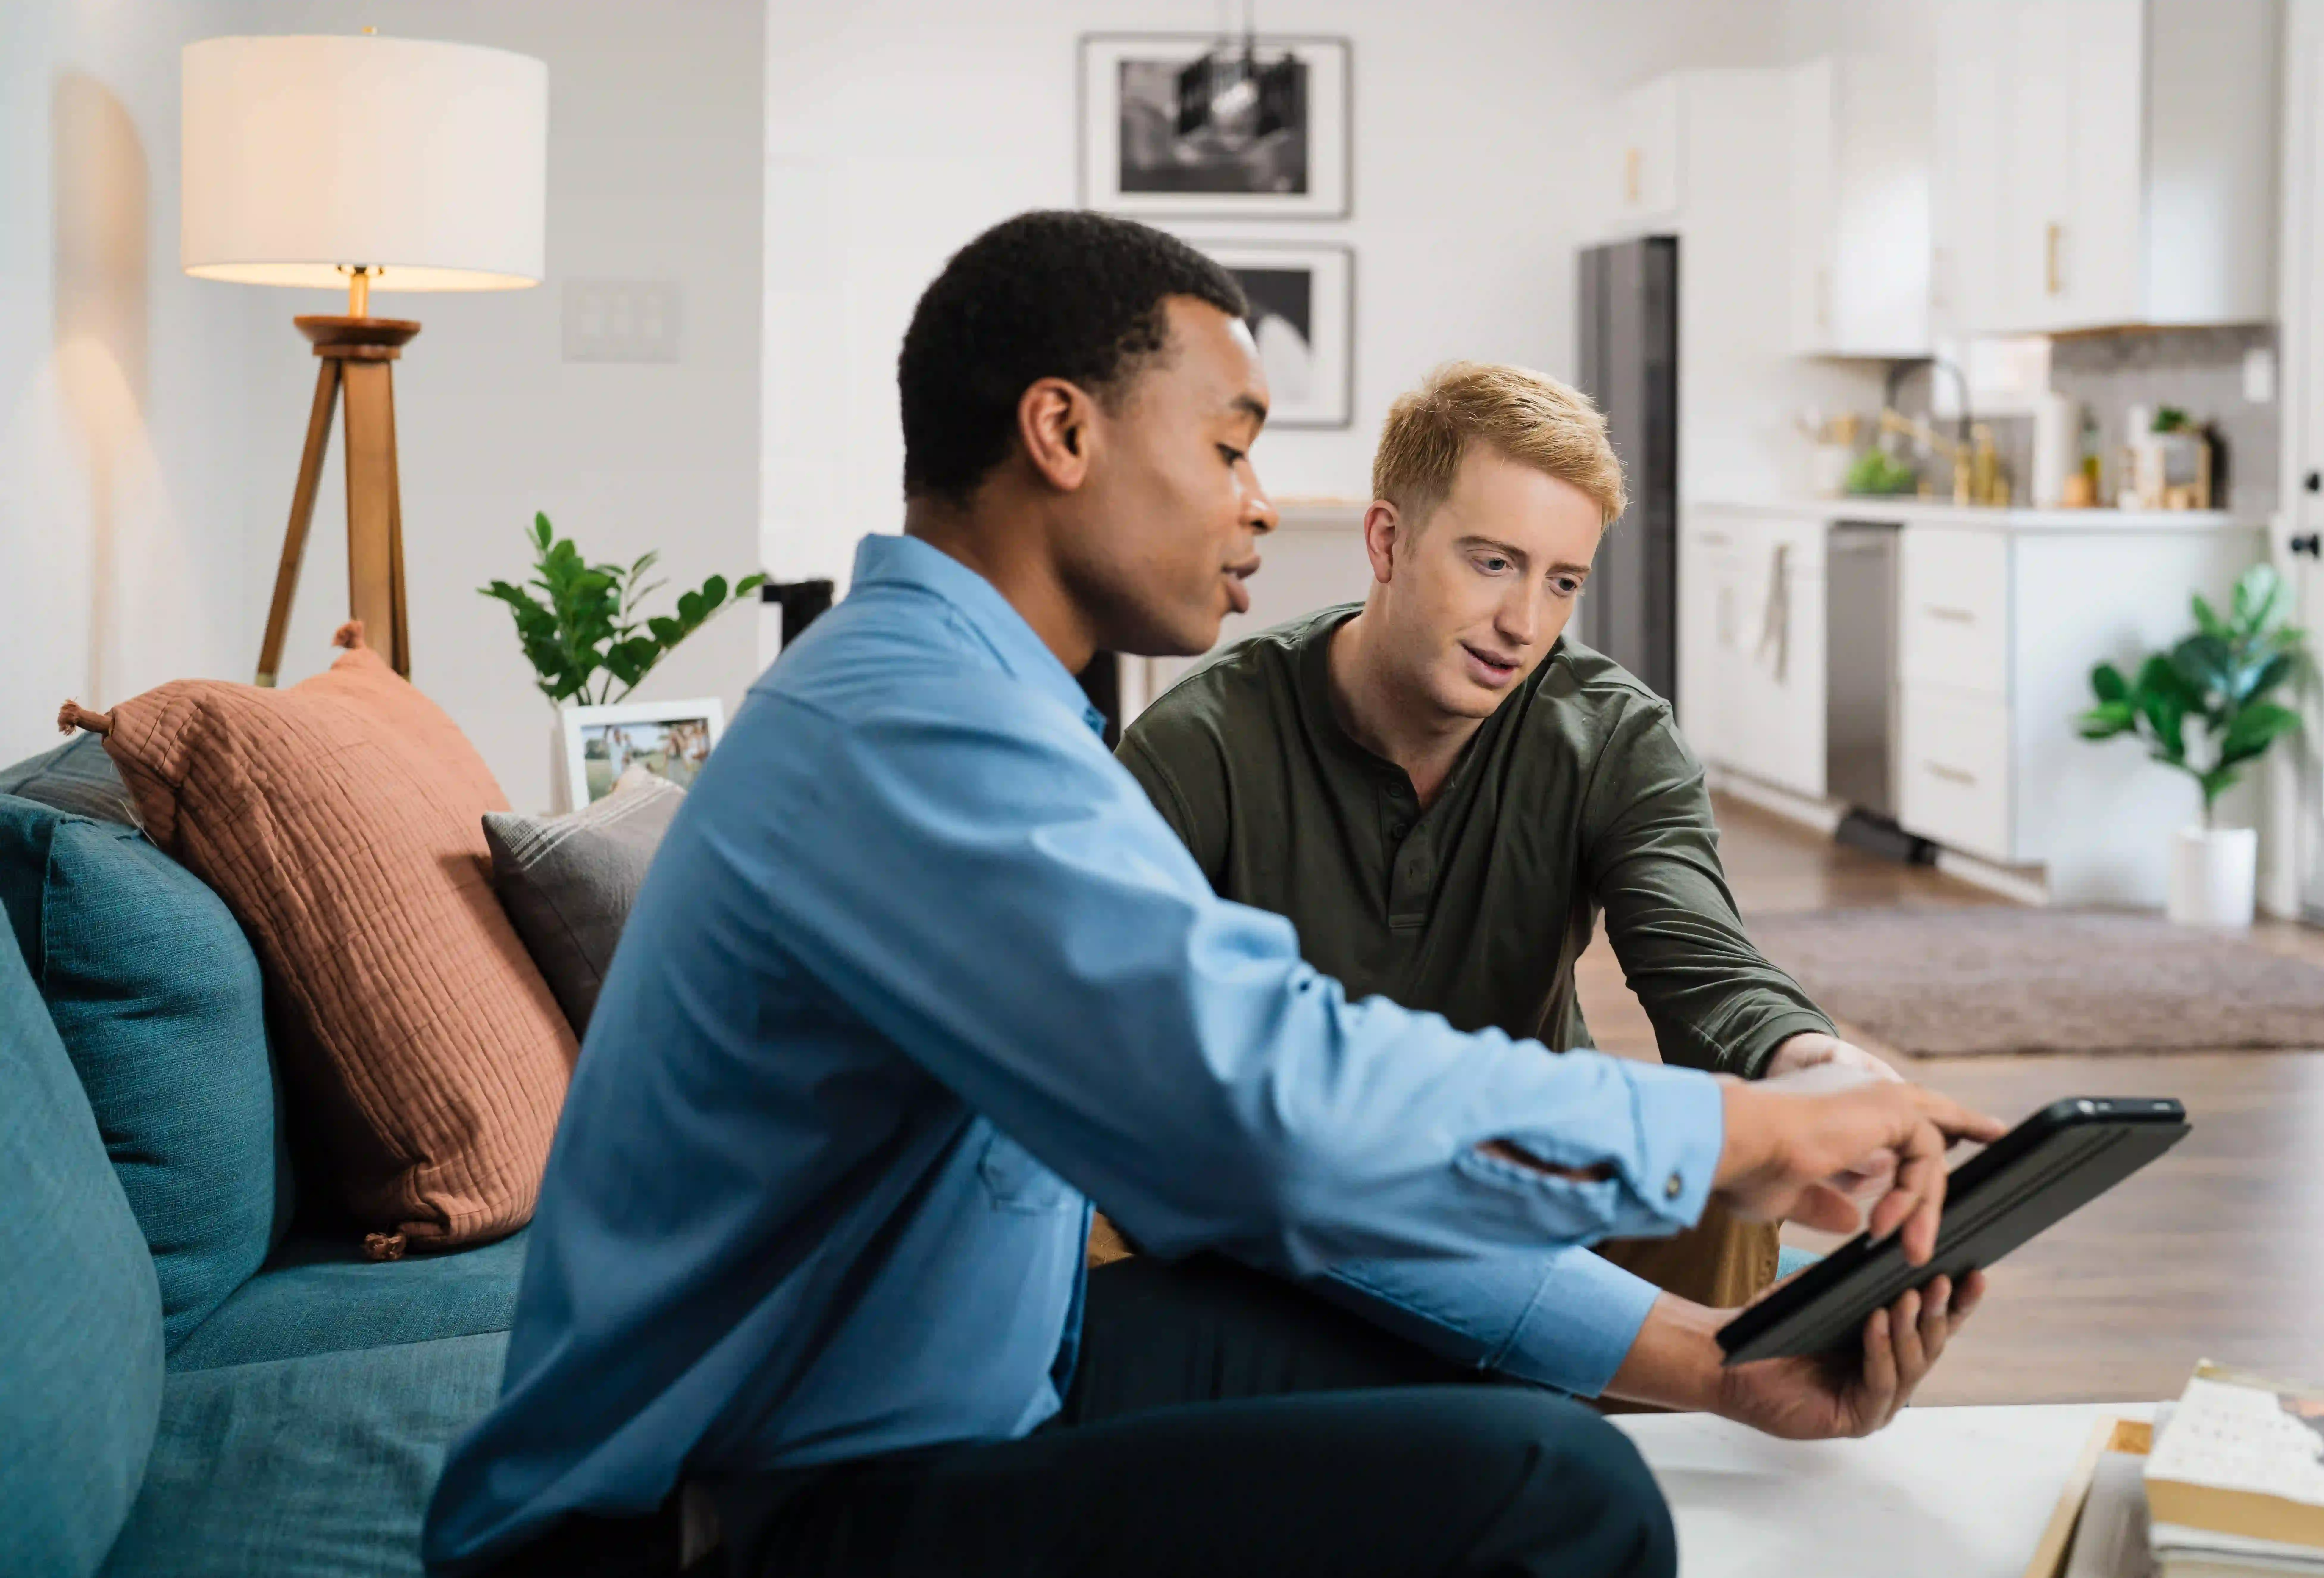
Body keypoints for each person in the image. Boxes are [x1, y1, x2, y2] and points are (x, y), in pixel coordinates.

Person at [422, 211, 2001, 1578]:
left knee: (1495, 1409)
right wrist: (1736, 1136)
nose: (1259, 502)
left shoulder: (997, 708)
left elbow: (1278, 1165)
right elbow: (1271, 1110)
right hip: (709, 1514)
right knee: (1562, 1492)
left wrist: (1711, 1362)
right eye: (1232, 444)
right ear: (1064, 432)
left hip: (952, 1371)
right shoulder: (914, 732)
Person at [1115, 360, 1918, 1414]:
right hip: (1302, 1200)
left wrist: (1816, 1066)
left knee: (1727, 1164)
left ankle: (1665, 1463)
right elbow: (1142, 1076)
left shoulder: (1611, 733)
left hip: (1535, 1180)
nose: (1524, 623)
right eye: (1493, 563)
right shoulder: (1200, 745)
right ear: (1388, 542)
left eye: (1562, 581)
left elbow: (1706, 969)